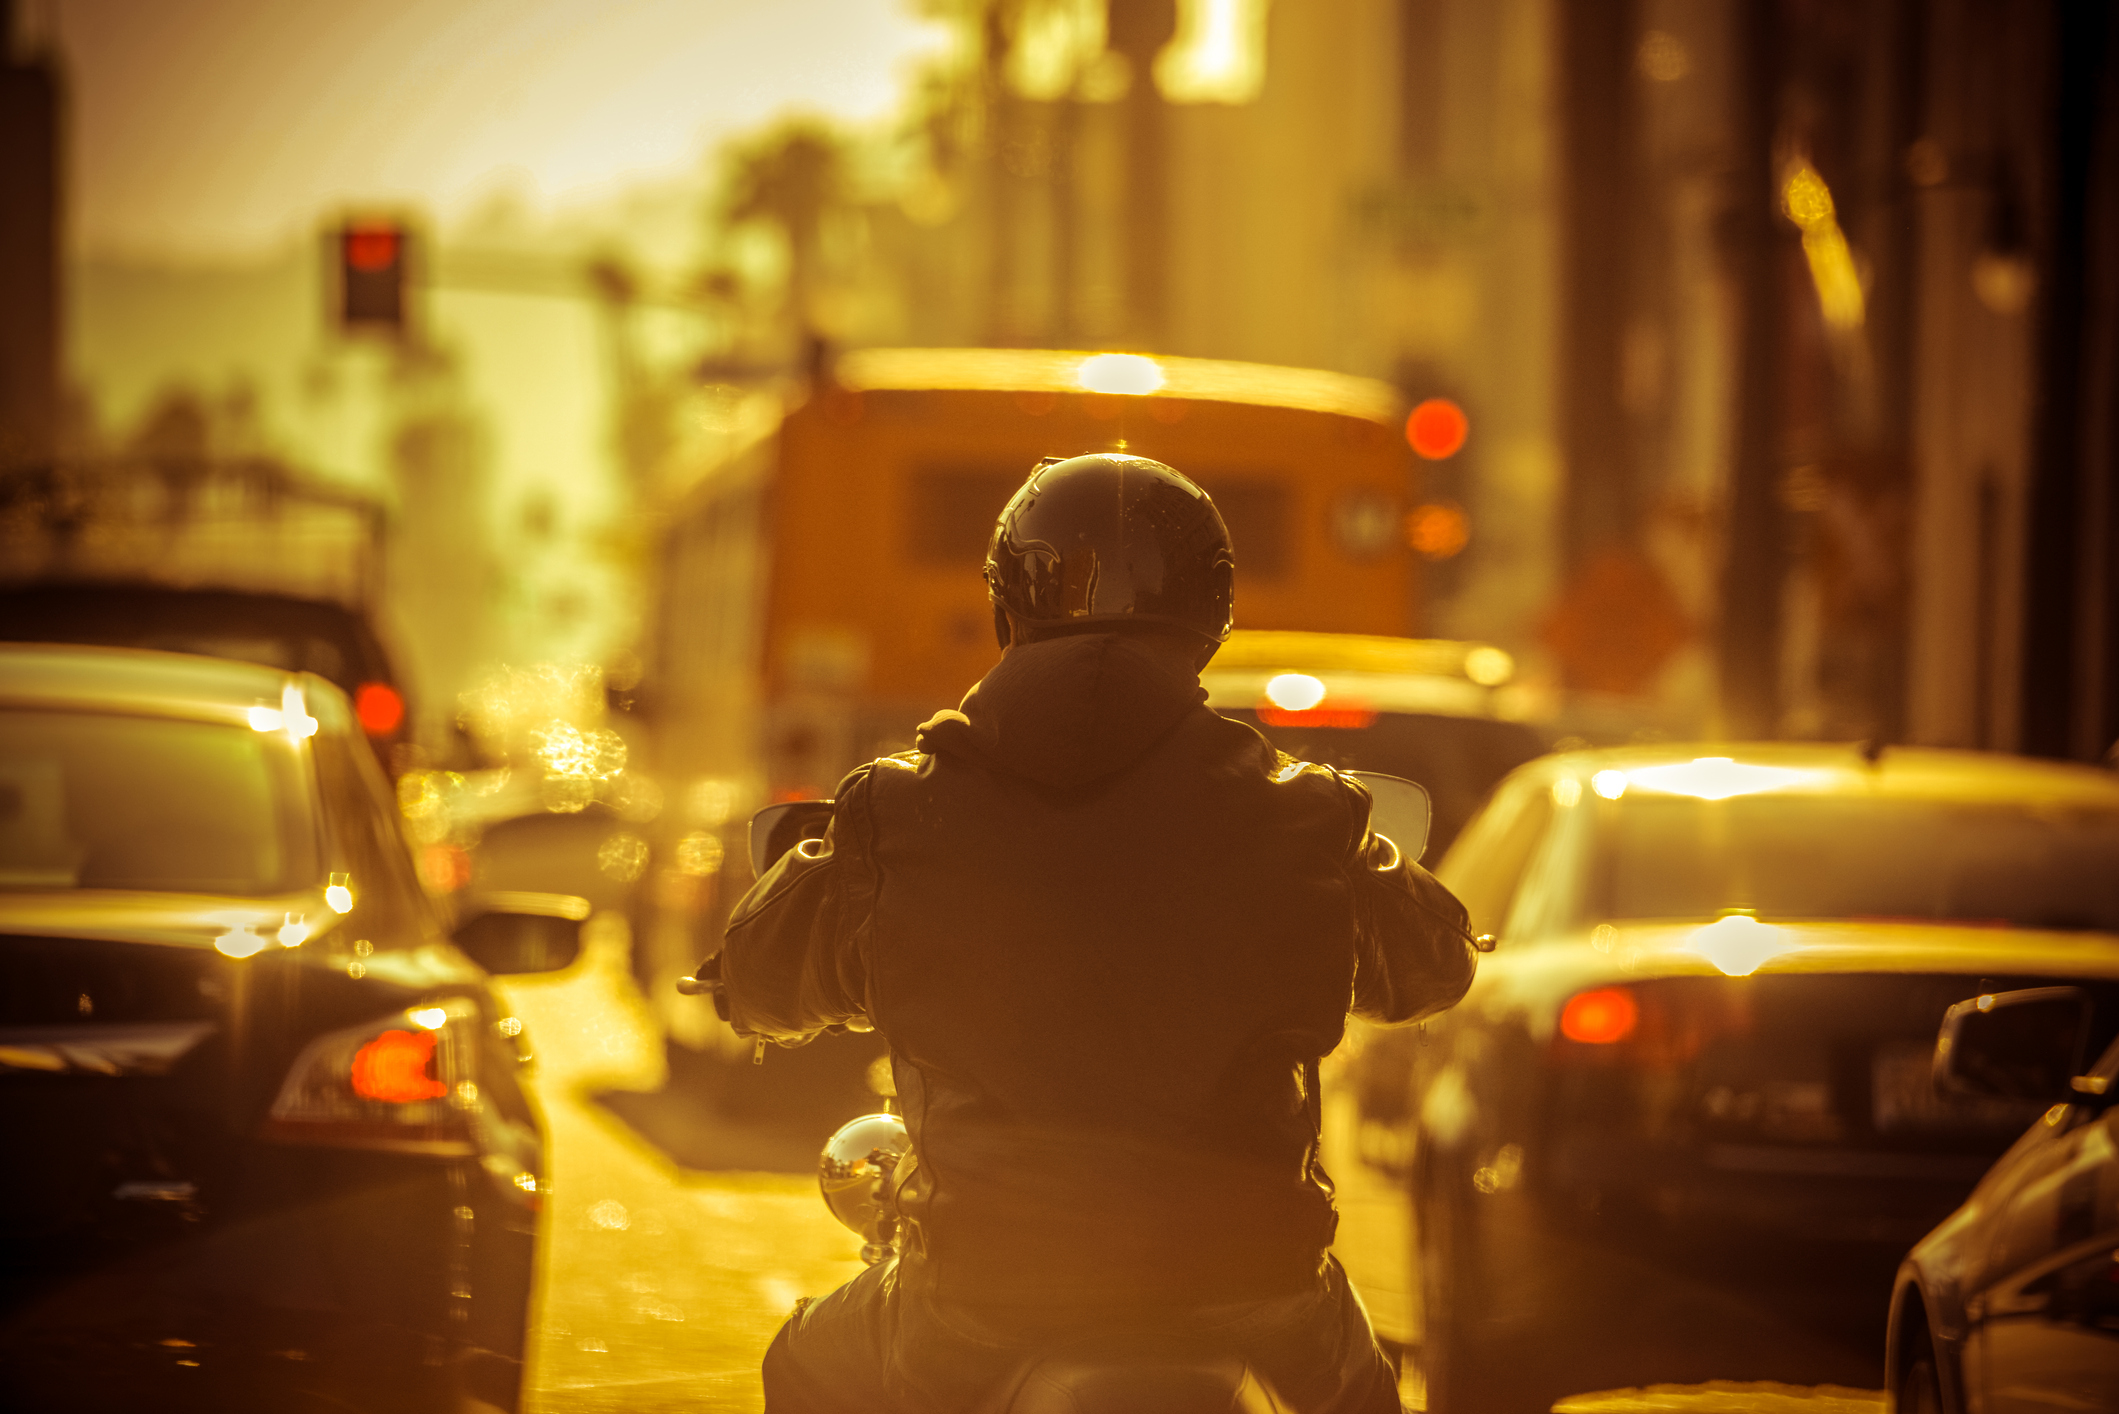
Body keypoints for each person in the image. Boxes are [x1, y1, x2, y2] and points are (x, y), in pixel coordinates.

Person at [707, 453, 1477, 1412]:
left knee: (807, 1365)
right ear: (1211, 612)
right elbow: (1434, 970)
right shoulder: (1305, 814)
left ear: (1007, 605)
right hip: (1253, 1280)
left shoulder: (897, 811)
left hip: (982, 1290)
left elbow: (763, 985)